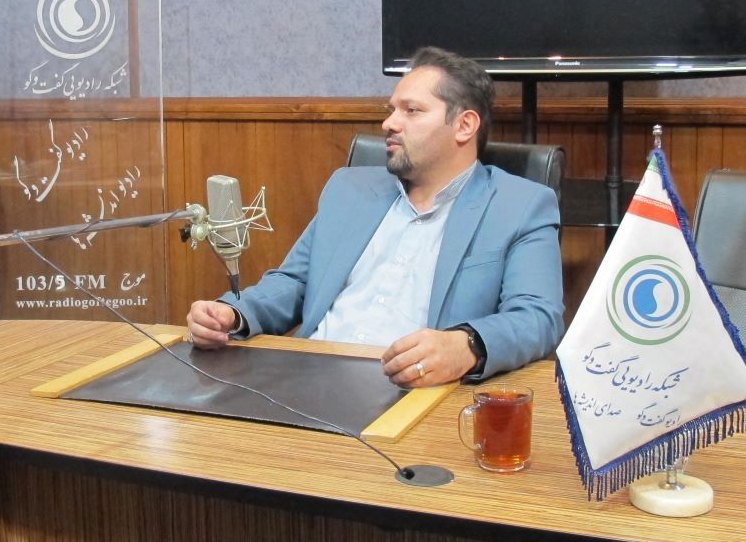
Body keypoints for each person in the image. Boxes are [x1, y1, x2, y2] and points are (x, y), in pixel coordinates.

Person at [186, 47, 564, 387]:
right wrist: (232, 313)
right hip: (307, 379)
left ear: (464, 125)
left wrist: (466, 344)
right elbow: (296, 282)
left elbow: (538, 317)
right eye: (391, 110)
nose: (389, 123)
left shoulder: (520, 205)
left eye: (411, 111)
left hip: (411, 392)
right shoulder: (349, 189)